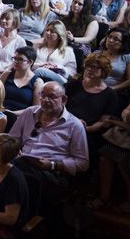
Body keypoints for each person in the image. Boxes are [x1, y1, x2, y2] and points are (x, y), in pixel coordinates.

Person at [9, 82, 89, 219]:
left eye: (52, 96)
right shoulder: (29, 113)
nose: (46, 100)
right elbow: (12, 140)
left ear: (63, 99)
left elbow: (83, 163)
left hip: (51, 172)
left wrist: (53, 165)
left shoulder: (74, 125)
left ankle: (18, 219)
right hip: (22, 163)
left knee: (19, 175)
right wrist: (15, 151)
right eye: (43, 95)